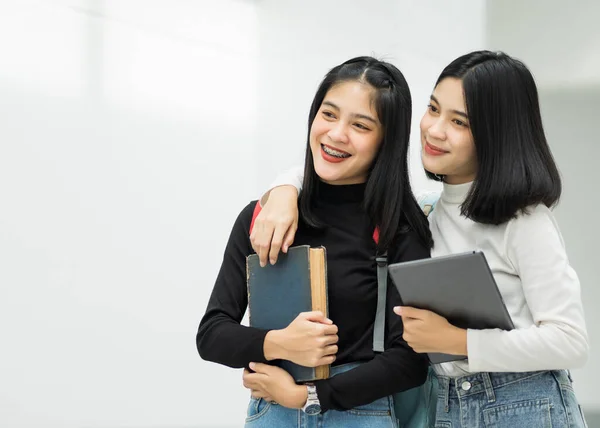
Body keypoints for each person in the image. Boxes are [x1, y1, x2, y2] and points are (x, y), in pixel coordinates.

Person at [251, 50, 589, 427]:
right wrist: (284, 190)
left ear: (496, 133)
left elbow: (569, 341)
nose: (434, 129)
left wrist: (458, 341)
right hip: (445, 405)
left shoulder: (524, 221)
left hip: (521, 402)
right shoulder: (426, 211)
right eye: (433, 109)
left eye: (459, 121)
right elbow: (329, 168)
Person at [197, 56, 434, 427]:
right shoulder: (264, 216)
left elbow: (410, 361)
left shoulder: (397, 228)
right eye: (329, 114)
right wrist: (279, 343)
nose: (337, 134)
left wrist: (308, 397)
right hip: (271, 413)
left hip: (358, 414)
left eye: (361, 125)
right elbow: (211, 334)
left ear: (385, 141)